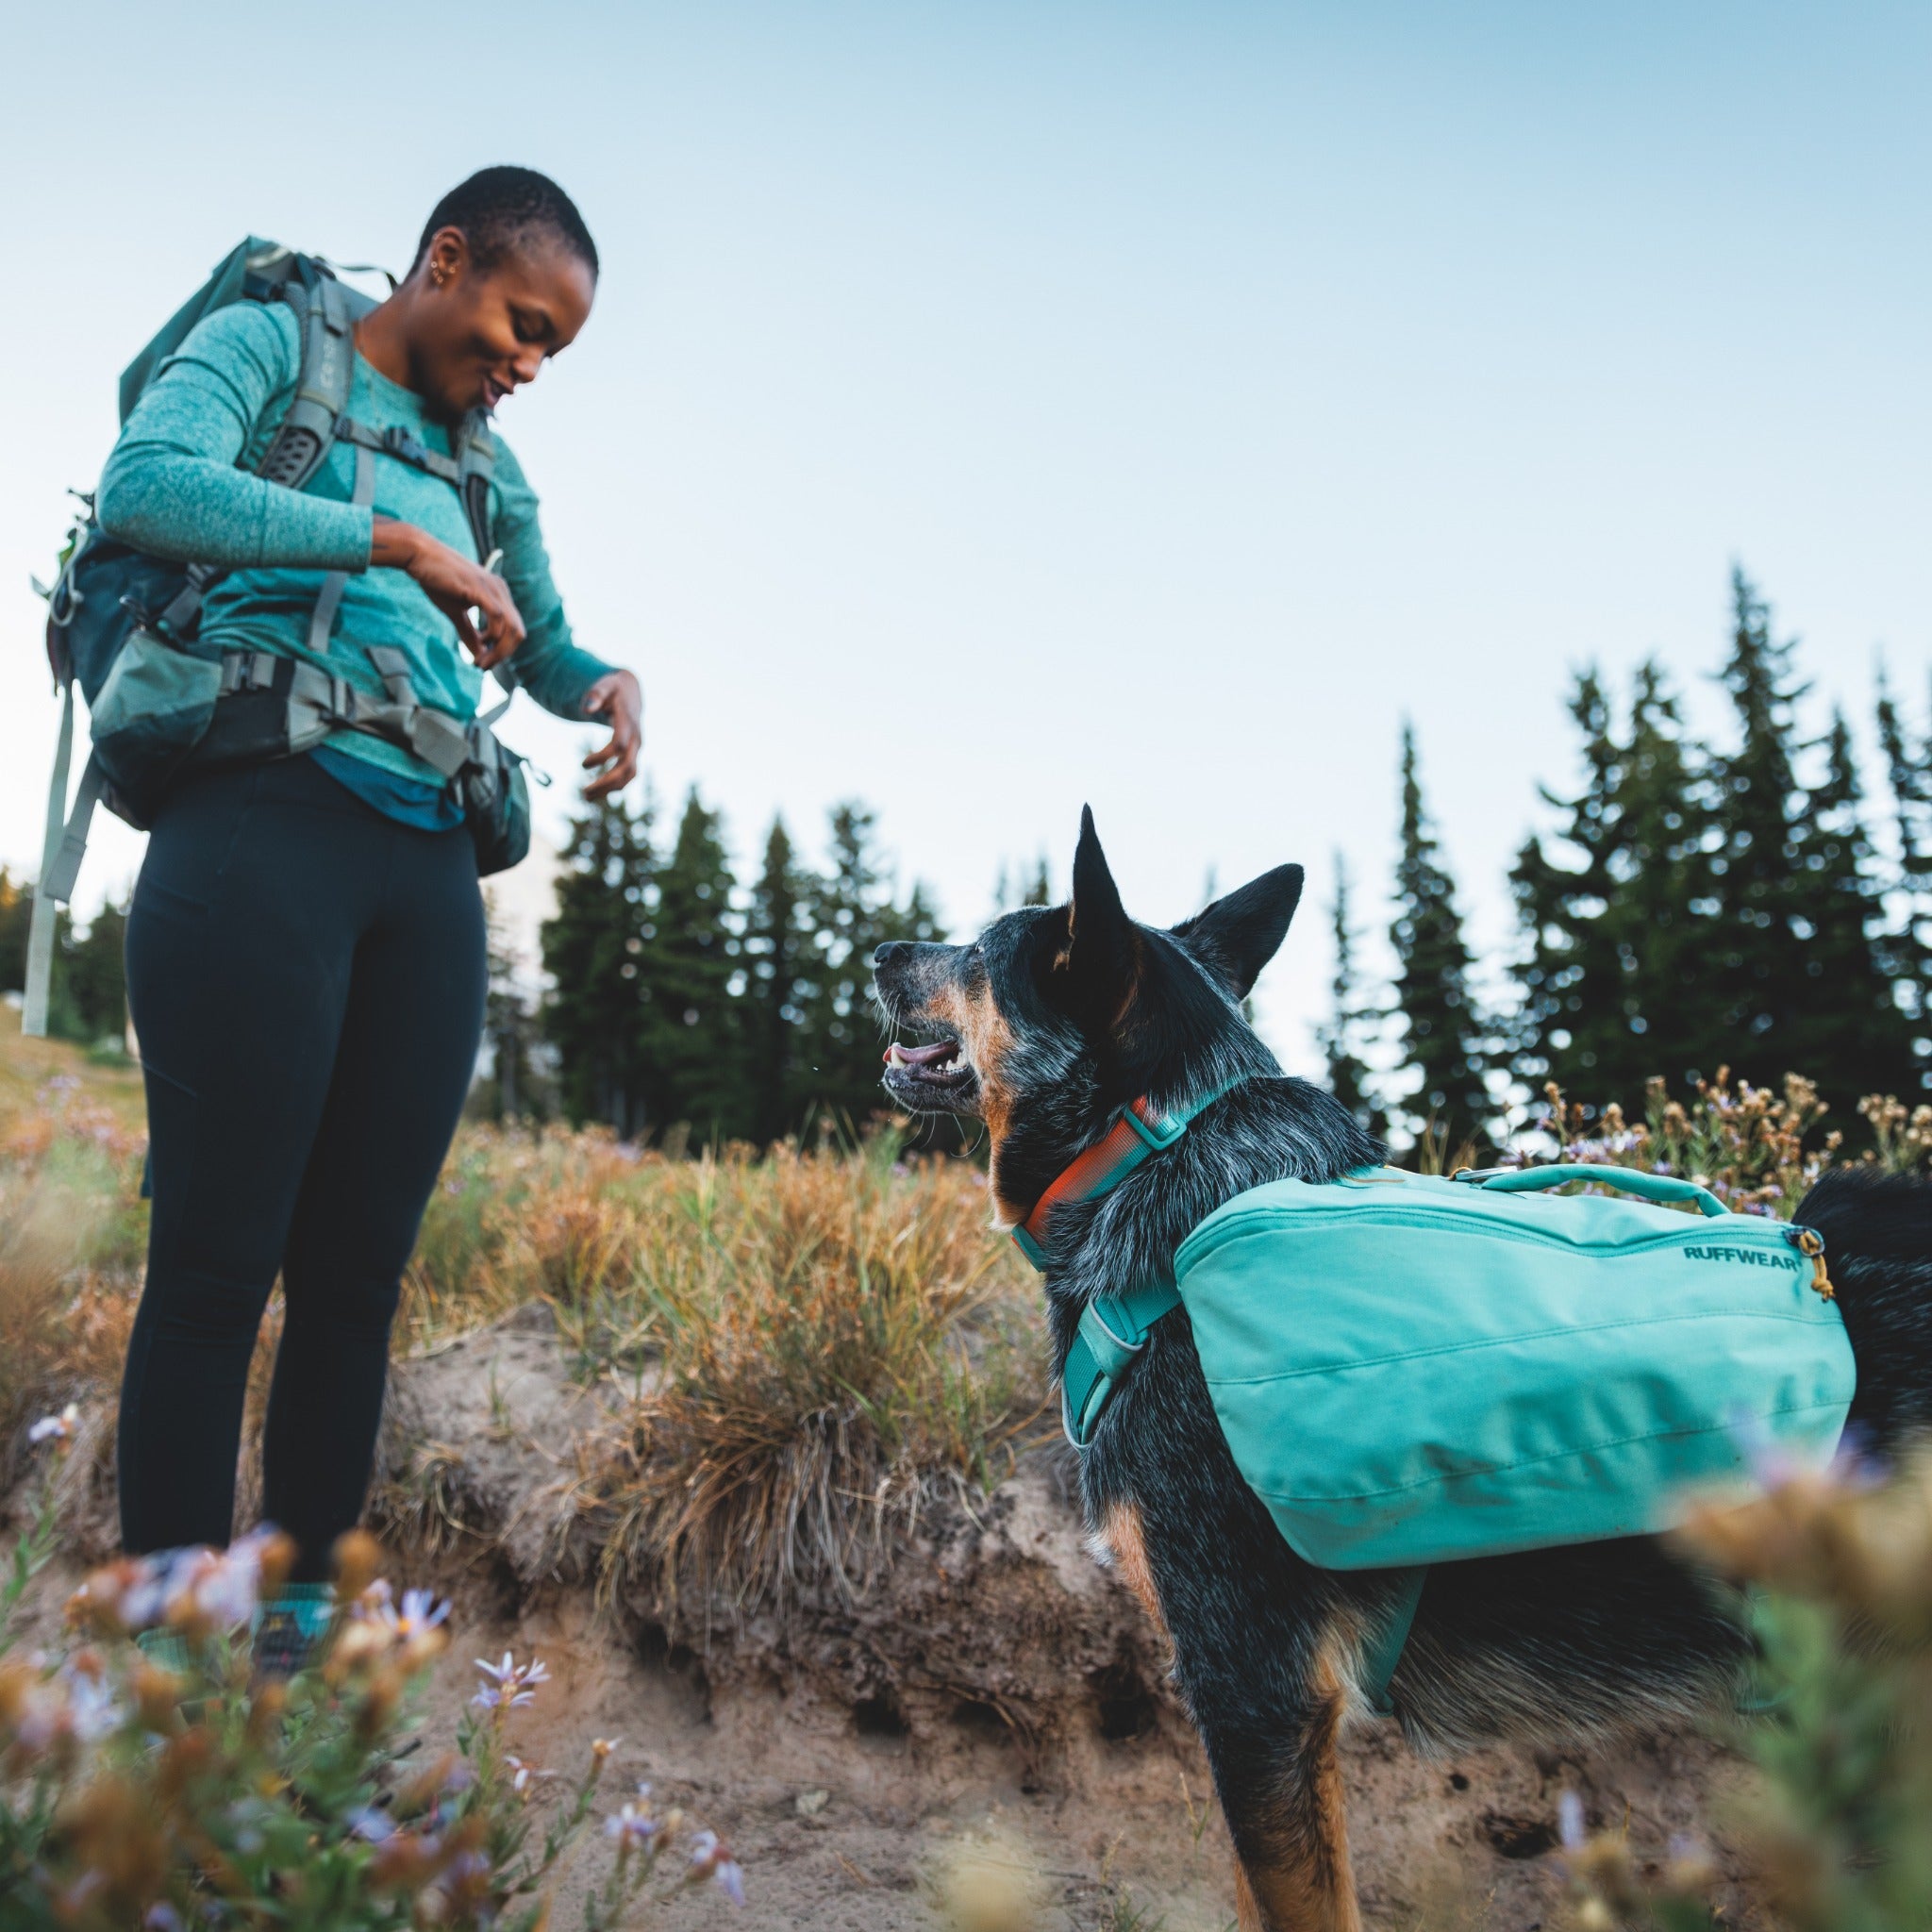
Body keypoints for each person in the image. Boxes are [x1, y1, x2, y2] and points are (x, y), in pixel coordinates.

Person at [94, 167, 640, 1648]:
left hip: (427, 868)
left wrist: (603, 689)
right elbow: (152, 482)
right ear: (446, 260)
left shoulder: (488, 467)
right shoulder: (279, 339)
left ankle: (296, 1694)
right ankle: (170, 1704)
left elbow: (542, 638)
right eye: (523, 324)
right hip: (259, 818)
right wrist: (388, 542)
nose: (527, 366)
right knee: (213, 1273)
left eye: (553, 351)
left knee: (353, 1293)